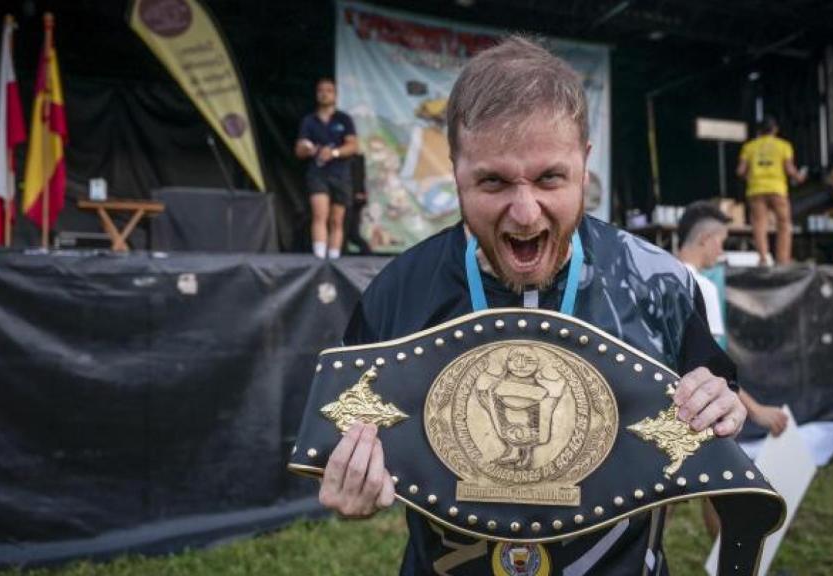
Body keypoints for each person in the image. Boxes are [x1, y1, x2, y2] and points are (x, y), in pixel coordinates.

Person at [317, 36, 747, 576]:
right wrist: (350, 481)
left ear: (585, 163)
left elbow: (719, 398)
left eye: (549, 178)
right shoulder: (398, 291)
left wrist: (720, 408)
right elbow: (339, 434)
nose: (524, 213)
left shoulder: (661, 284)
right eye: (493, 181)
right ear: (455, 170)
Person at [675, 201, 789, 539]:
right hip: (699, 412)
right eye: (721, 241)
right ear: (707, 238)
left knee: (657, 509)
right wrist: (757, 412)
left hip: (663, 410)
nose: (721, 251)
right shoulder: (703, 287)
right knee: (722, 494)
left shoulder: (655, 278)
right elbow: (715, 372)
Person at [295, 78, 359, 259]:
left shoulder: (344, 119)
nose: (324, 94)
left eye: (329, 90)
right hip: (318, 173)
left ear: (335, 95)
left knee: (337, 219)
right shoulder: (309, 120)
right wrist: (309, 149)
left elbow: (353, 146)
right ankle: (319, 258)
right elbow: (299, 149)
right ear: (316, 94)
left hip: (340, 174)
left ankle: (334, 258)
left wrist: (334, 153)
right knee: (319, 214)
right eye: (321, 90)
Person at [736, 116, 805, 266]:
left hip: (756, 189)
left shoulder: (749, 147)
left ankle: (763, 258)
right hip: (777, 189)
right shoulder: (784, 145)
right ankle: (783, 259)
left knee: (759, 224)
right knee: (784, 223)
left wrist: (750, 177)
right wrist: (799, 177)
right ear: (775, 129)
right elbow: (789, 169)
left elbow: (740, 171)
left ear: (760, 130)